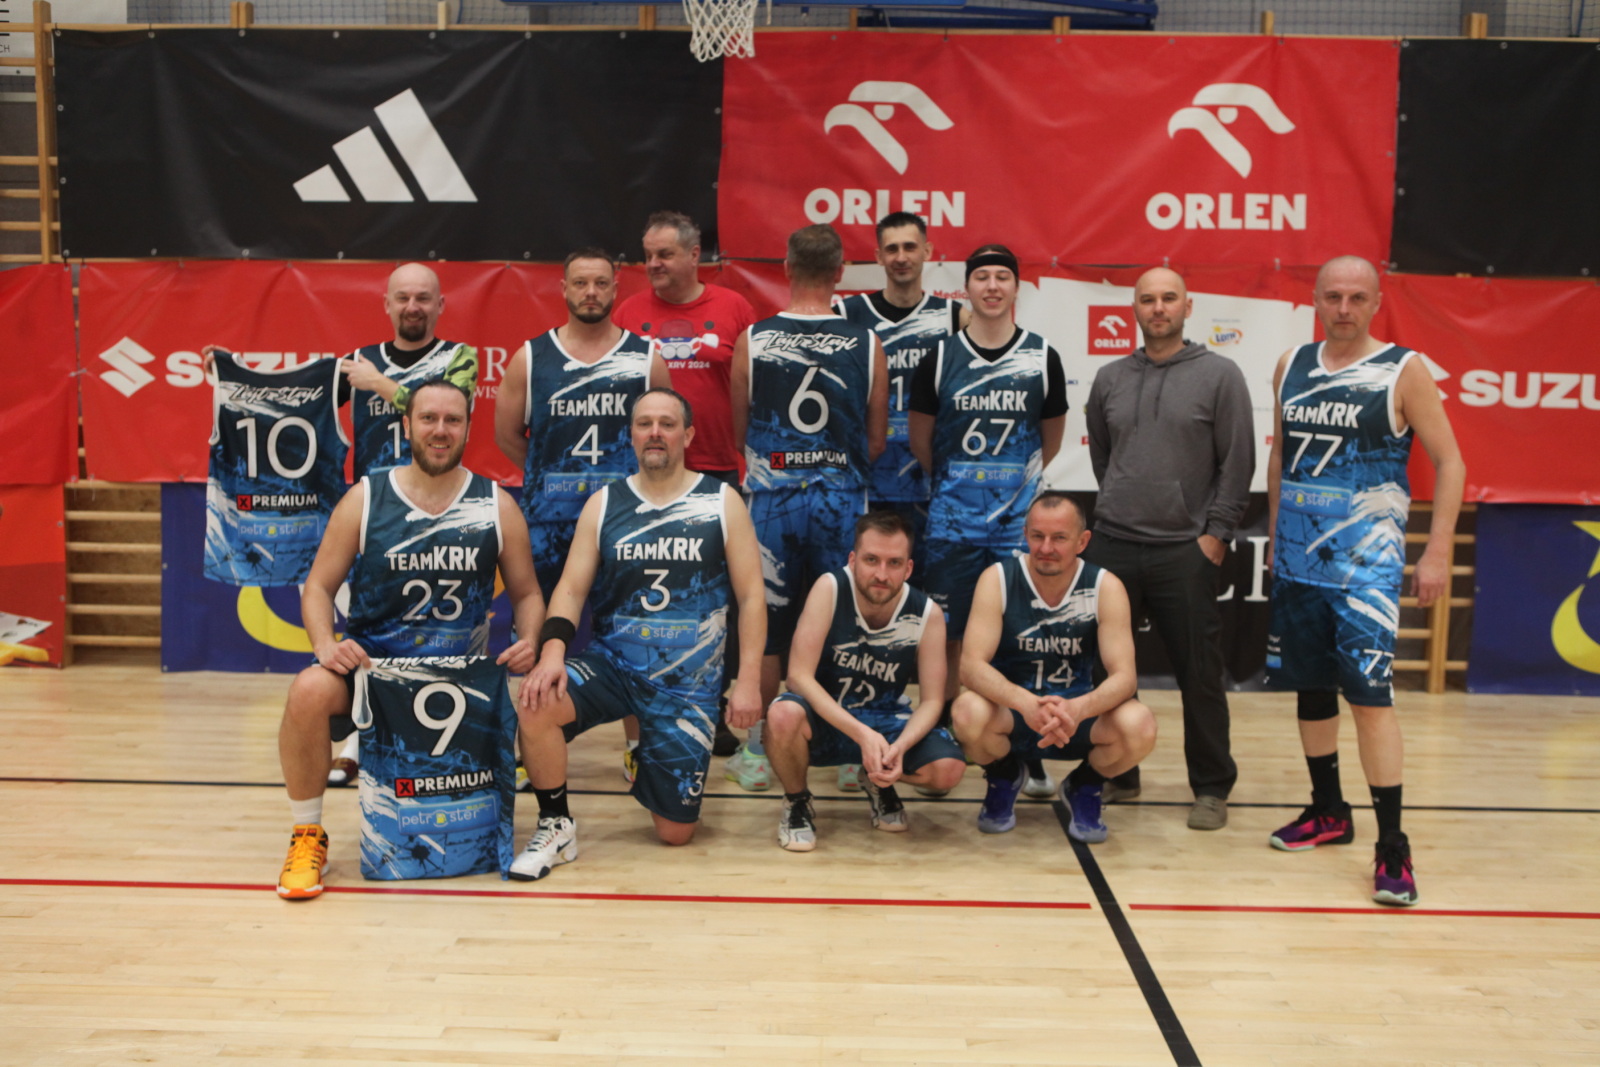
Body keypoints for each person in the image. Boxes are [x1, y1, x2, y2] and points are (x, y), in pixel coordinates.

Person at [273, 378, 543, 900]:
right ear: (406, 425)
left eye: (452, 420)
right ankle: (307, 834)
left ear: (467, 429)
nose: (440, 430)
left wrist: (529, 638)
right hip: (375, 676)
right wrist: (326, 645)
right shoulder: (367, 498)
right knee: (308, 690)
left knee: (542, 693)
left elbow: (529, 593)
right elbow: (318, 587)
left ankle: (554, 819)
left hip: (460, 681)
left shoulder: (495, 504)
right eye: (428, 419)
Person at [1265, 255, 1464, 907]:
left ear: (1377, 302)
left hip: (1365, 573)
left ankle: (1393, 846)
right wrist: (1277, 536)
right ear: (1315, 300)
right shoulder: (1291, 364)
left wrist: (1436, 551)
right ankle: (1328, 810)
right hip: (1299, 563)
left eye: (1356, 297)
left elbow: (1450, 462)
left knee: (1370, 701)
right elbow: (1280, 455)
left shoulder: (1403, 369)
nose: (1344, 308)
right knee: (1311, 688)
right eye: (1333, 296)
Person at [511, 388, 766, 881]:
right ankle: (555, 823)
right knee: (537, 700)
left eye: (667, 424)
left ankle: (654, 762)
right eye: (645, 423)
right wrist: (552, 652)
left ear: (688, 435)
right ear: (631, 435)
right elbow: (570, 589)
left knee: (674, 833)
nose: (655, 433)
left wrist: (749, 679)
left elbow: (752, 596)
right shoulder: (605, 503)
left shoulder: (721, 501)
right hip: (615, 665)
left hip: (686, 685)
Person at [1081, 266, 1254, 831]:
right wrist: (1121, 502)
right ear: (1134, 307)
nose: (1158, 308)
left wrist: (1214, 536)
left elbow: (1238, 463)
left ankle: (1211, 787)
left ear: (1188, 307)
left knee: (1199, 674)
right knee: (1107, 671)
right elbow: (1103, 456)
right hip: (1114, 545)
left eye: (1169, 298)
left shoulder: (1220, 375)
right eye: (1148, 299)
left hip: (1184, 549)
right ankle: (1118, 771)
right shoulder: (1109, 377)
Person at [726, 223, 888, 792]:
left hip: (771, 501)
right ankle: (848, 754)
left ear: (787, 269)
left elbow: (740, 432)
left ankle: (757, 751)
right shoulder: (868, 342)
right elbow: (875, 439)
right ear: (840, 272)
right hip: (841, 502)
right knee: (843, 623)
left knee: (766, 625)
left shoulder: (754, 338)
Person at [907, 244, 1068, 741]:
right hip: (951, 524)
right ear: (967, 287)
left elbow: (1050, 440)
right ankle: (944, 725)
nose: (992, 286)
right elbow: (922, 440)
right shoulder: (939, 357)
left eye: (1002, 276)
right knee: (948, 632)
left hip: (1017, 528)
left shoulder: (1042, 356)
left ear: (1016, 287)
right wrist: (961, 483)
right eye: (982, 277)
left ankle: (1016, 733)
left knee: (1019, 633)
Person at [615, 212, 758, 760]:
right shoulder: (629, 313)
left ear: (695, 255)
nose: (653, 264)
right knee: (651, 600)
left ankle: (711, 707)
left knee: (715, 600)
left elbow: (752, 389)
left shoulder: (735, 308)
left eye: (665, 254)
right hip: (649, 482)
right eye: (648, 255)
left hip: (717, 473)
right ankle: (650, 708)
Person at [834, 213, 968, 794]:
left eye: (911, 246)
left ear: (928, 251)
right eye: (891, 247)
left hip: (935, 493)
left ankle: (942, 727)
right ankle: (851, 735)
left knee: (944, 621)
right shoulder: (848, 314)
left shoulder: (954, 317)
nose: (901, 256)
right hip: (865, 488)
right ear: (878, 255)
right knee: (858, 617)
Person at [952, 492, 1156, 842]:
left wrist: (1078, 709)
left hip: (1075, 714)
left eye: (1059, 538)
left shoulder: (1105, 586)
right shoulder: (997, 579)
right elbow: (970, 667)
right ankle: (1004, 775)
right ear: (1025, 534)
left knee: (1141, 725)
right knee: (966, 712)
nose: (1046, 548)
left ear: (1082, 541)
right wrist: (1026, 703)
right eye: (1037, 536)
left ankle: (1085, 785)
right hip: (1014, 712)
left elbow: (1125, 678)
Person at [764, 511, 965, 850]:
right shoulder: (829, 589)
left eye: (893, 563)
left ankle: (878, 781)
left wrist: (900, 748)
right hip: (827, 720)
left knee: (948, 770)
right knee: (782, 715)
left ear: (908, 568)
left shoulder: (927, 613)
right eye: (872, 560)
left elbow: (932, 701)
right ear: (853, 560)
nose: (881, 574)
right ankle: (797, 801)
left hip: (886, 721)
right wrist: (862, 735)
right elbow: (797, 677)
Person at [494, 248, 671, 601]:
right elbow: (505, 434)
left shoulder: (645, 359)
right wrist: (547, 470)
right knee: (542, 620)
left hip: (623, 516)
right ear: (564, 288)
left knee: (623, 623)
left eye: (601, 283)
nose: (591, 292)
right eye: (580, 283)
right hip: (548, 520)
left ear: (615, 289)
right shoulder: (531, 357)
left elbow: (666, 438)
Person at [342, 262, 479, 481]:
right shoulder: (360, 360)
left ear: (440, 304)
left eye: (423, 299)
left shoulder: (460, 357)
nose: (412, 307)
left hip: (437, 491)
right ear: (387, 304)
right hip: (374, 494)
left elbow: (441, 412)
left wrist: (376, 382)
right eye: (403, 298)